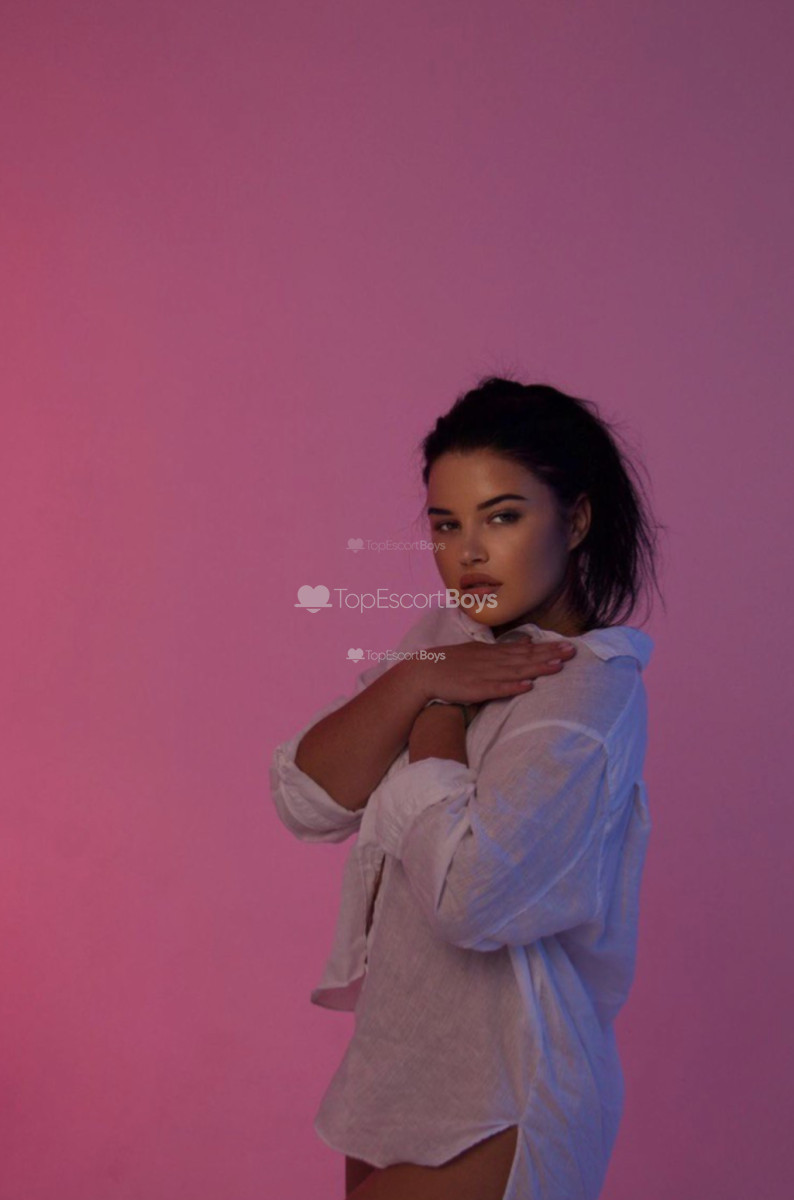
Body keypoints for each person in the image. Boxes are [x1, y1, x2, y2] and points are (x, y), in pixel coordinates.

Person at [269, 376, 665, 1199]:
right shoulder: (451, 637)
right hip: (397, 1076)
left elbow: (471, 900)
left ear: (576, 520)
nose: (468, 553)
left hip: (506, 1090)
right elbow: (307, 796)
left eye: (503, 517)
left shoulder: (586, 697)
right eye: (446, 525)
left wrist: (436, 712)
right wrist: (422, 676)